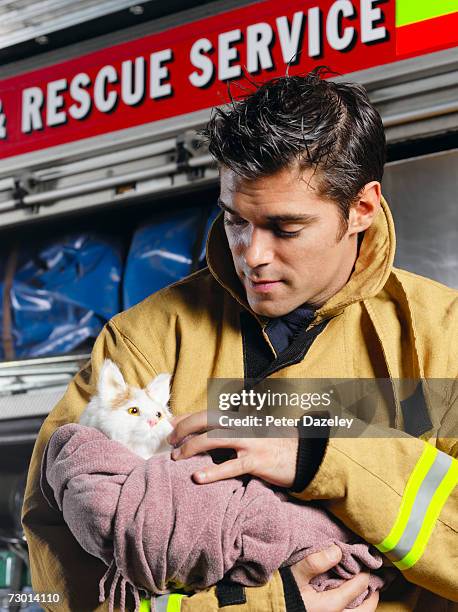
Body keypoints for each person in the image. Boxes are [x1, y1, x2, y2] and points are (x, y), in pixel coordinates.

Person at [22, 67, 457, 611]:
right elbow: (63, 562)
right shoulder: (144, 340)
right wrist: (264, 606)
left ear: (361, 209)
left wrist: (325, 453)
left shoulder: (443, 337)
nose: (251, 255)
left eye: (285, 228)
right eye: (235, 221)